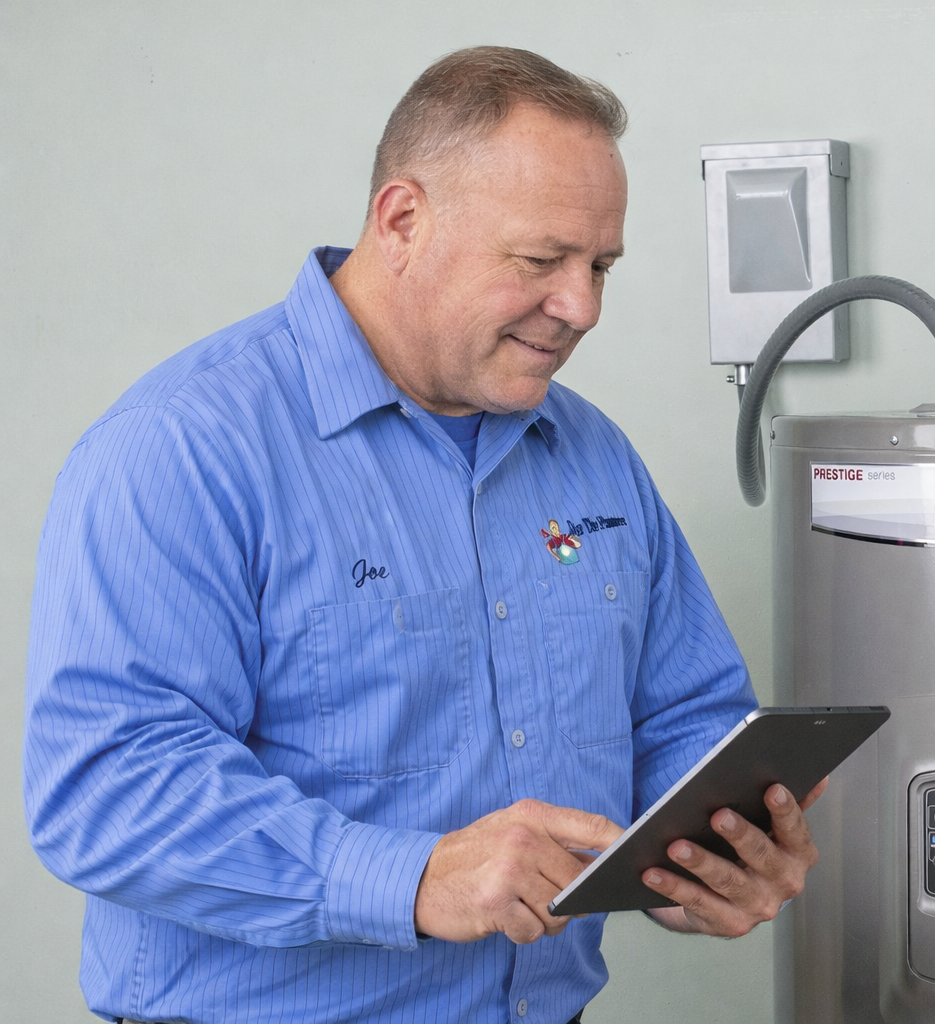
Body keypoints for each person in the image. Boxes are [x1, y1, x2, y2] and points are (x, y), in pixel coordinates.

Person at [24, 47, 821, 1024]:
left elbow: (682, 716)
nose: (583, 306)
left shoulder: (591, 453)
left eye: (600, 265)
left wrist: (712, 852)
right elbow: (105, 789)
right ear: (402, 221)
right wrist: (409, 878)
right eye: (540, 261)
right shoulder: (183, 450)